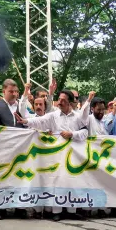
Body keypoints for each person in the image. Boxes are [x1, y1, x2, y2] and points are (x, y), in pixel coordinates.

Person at [16, 90, 88, 221]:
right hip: (57, 155)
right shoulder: (53, 115)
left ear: (70, 102)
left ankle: (71, 211)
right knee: (57, 180)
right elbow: (39, 121)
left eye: (63, 100)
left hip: (73, 156)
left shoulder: (78, 117)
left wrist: (72, 134)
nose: (59, 102)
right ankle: (56, 211)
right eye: (59, 99)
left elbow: (85, 133)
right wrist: (25, 121)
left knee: (72, 181)